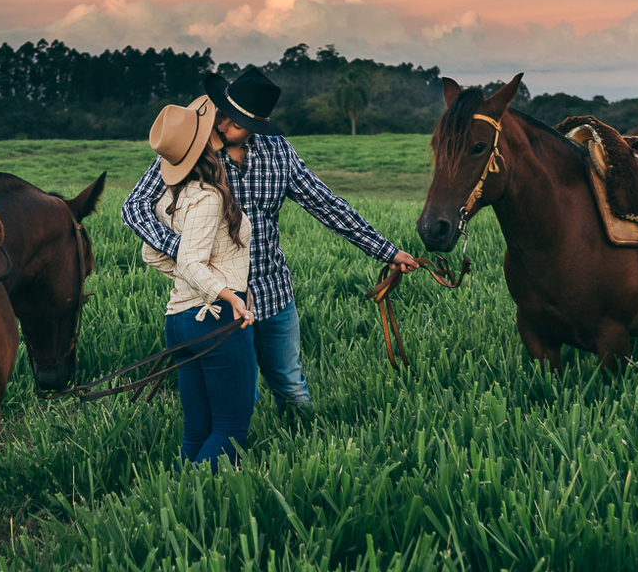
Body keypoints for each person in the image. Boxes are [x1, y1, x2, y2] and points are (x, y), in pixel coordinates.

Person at [124, 67, 418, 417]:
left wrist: (386, 251)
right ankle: (240, 450)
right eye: (222, 114)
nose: (222, 126)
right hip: (220, 298)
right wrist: (180, 249)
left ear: (256, 125)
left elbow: (327, 205)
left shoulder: (279, 152)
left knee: (291, 386)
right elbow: (134, 206)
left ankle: (302, 440)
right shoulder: (192, 148)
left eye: (235, 123)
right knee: (239, 396)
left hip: (273, 290)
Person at [142, 94, 257, 470]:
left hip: (178, 322)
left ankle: (178, 496)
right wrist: (229, 295)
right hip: (216, 318)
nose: (218, 128)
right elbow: (191, 261)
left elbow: (152, 254)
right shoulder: (208, 197)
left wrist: (195, 281)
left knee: (197, 431)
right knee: (230, 429)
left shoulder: (170, 196)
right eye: (210, 129)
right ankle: (197, 497)